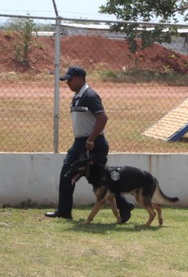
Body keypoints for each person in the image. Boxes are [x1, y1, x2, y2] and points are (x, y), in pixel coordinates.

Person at [46, 66, 133, 221]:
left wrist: (91, 140)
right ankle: (64, 211)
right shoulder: (78, 96)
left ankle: (124, 205)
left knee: (101, 179)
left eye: (69, 80)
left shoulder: (90, 95)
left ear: (80, 78)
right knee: (67, 174)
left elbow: (102, 118)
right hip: (80, 143)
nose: (67, 83)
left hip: (93, 143)